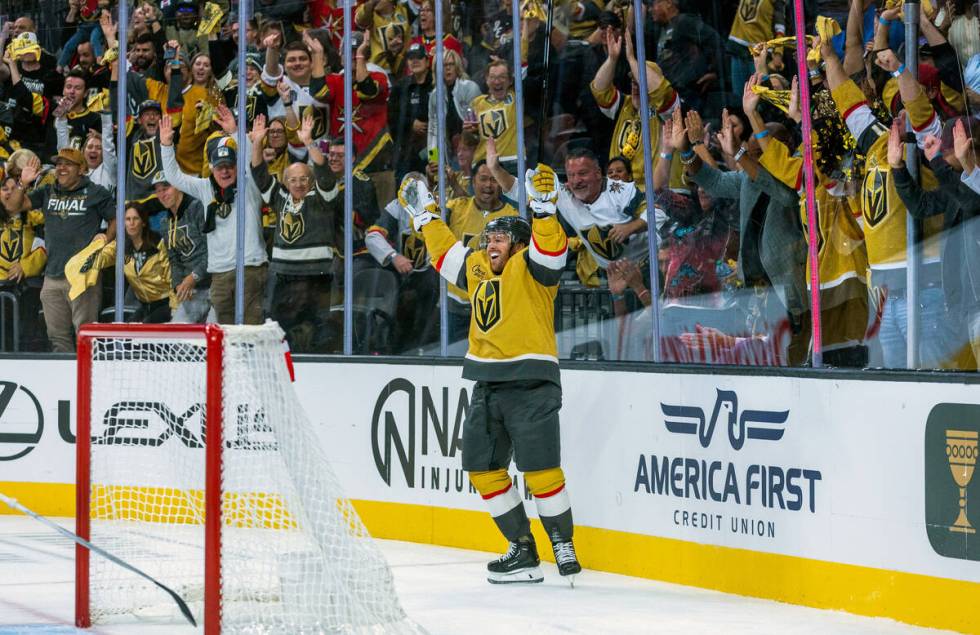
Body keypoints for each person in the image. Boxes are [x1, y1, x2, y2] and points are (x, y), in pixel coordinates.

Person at [400, 165, 581, 584]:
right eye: (488, 238)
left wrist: (543, 210)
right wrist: (427, 218)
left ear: (518, 244)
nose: (491, 243)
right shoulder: (479, 266)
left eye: (499, 238)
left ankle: (562, 541)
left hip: (532, 382)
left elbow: (551, 250)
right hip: (486, 384)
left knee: (541, 471)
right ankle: (522, 547)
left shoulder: (534, 269)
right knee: (482, 468)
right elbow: (446, 256)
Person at [159, 108, 268, 324]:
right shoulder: (205, 188)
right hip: (219, 274)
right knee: (223, 335)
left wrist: (236, 133)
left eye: (229, 166)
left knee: (251, 330)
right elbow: (174, 177)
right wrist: (165, 146)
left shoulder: (250, 185)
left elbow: (251, 165)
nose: (225, 171)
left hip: (250, 268)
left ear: (236, 167)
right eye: (220, 167)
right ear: (211, 168)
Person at [10, 148, 115, 352]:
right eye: (58, 164)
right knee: (57, 338)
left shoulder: (96, 192)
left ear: (82, 169)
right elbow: (14, 206)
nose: (61, 168)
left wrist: (105, 239)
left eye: (67, 164)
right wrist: (23, 183)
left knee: (85, 337)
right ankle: (67, 383)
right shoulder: (47, 191)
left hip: (82, 275)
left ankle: (86, 383)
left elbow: (116, 218)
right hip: (52, 276)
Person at [152, 172, 212, 323]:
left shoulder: (198, 208)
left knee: (213, 337)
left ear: (178, 186)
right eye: (158, 190)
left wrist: (194, 276)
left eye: (166, 188)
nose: (162, 194)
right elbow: (174, 259)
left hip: (214, 286)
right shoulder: (165, 222)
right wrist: (178, 284)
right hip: (192, 292)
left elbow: (213, 249)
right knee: (178, 339)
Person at [98, 203, 173, 323]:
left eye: (135, 218)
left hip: (166, 303)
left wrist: (176, 309)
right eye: (128, 219)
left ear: (143, 222)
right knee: (128, 330)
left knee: (145, 327)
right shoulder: (121, 245)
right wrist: (99, 243)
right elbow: (100, 259)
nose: (131, 223)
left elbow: (172, 277)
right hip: (144, 305)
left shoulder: (158, 242)